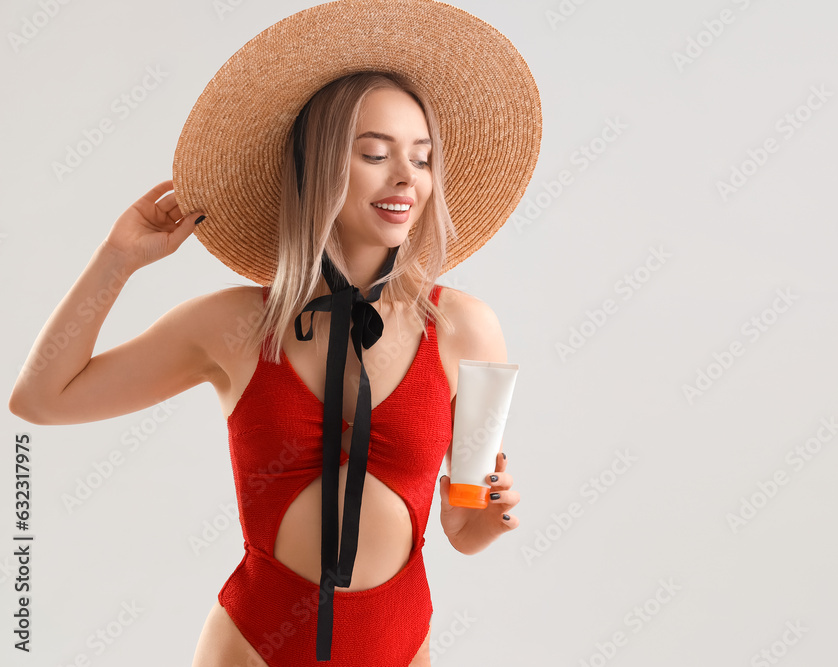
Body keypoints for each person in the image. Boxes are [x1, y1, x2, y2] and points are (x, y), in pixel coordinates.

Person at [8, 1, 542, 665]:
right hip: (252, 645)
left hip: (400, 645)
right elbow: (42, 398)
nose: (407, 176)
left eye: (423, 157)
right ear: (320, 167)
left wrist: (488, 519)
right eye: (376, 153)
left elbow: (461, 522)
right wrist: (118, 258)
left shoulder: (465, 326)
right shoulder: (235, 324)